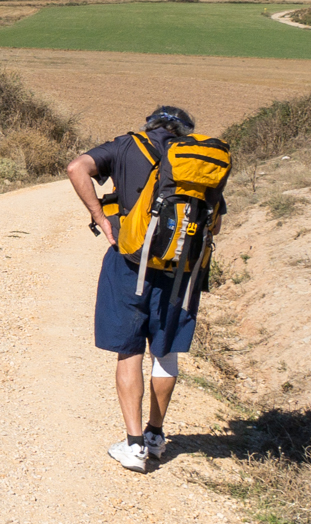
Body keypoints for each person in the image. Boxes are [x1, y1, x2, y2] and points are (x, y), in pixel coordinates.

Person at [65, 105, 217, 473]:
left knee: (129, 349)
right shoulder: (199, 159)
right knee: (165, 353)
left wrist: (101, 217)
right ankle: (155, 435)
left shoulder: (127, 146)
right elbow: (215, 220)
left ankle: (133, 446)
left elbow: (76, 167)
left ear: (150, 124)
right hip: (180, 271)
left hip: (129, 262)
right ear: (185, 131)